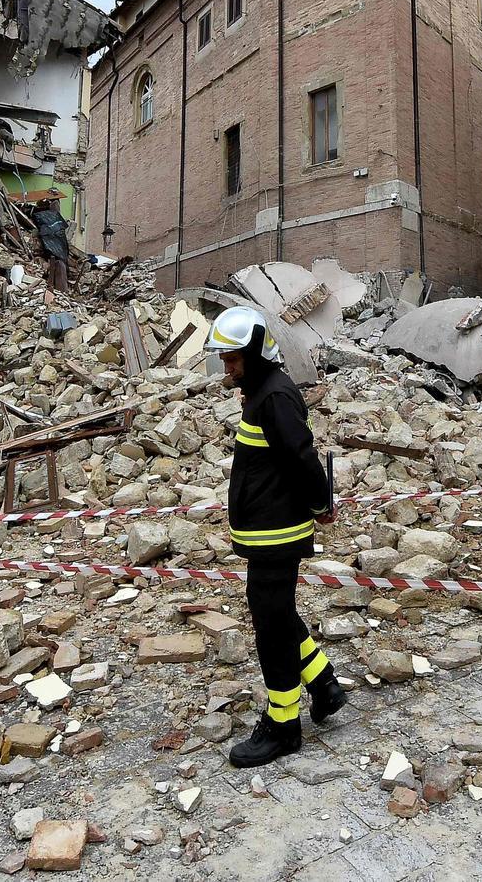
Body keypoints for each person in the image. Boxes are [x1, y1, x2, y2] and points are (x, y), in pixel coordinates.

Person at [208, 305, 348, 767]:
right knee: (279, 614)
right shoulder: (262, 393)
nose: (226, 367)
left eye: (232, 359)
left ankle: (283, 725)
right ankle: (324, 684)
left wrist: (320, 505)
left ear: (253, 353)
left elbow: (302, 458)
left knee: (271, 628)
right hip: (267, 530)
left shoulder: (274, 398)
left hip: (277, 533)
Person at [33, 197, 70, 293]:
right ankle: (62, 289)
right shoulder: (55, 216)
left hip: (53, 246)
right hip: (60, 246)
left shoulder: (40, 217)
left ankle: (60, 289)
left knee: (58, 266)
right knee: (60, 265)